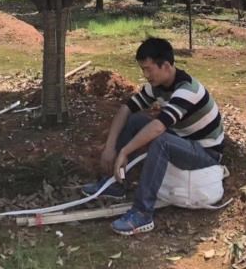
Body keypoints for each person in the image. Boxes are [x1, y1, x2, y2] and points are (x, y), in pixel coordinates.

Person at [83, 37, 224, 235]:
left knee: (162, 140)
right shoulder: (157, 86)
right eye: (143, 69)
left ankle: (142, 213)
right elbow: (126, 108)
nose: (145, 74)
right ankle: (114, 184)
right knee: (134, 120)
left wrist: (124, 151)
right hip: (184, 141)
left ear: (166, 65)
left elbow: (158, 127)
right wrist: (110, 146)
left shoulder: (187, 90)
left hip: (205, 153)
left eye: (148, 69)